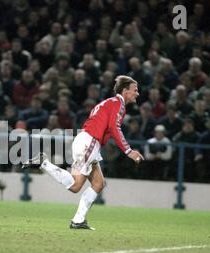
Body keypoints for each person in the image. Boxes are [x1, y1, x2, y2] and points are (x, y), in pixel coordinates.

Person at [22, 76, 144, 230]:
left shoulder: (109, 103)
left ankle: (78, 220)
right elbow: (114, 128)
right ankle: (43, 163)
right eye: (135, 90)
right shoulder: (117, 104)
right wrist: (129, 151)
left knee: (98, 184)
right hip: (90, 142)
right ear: (125, 91)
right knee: (75, 185)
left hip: (87, 141)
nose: (137, 93)